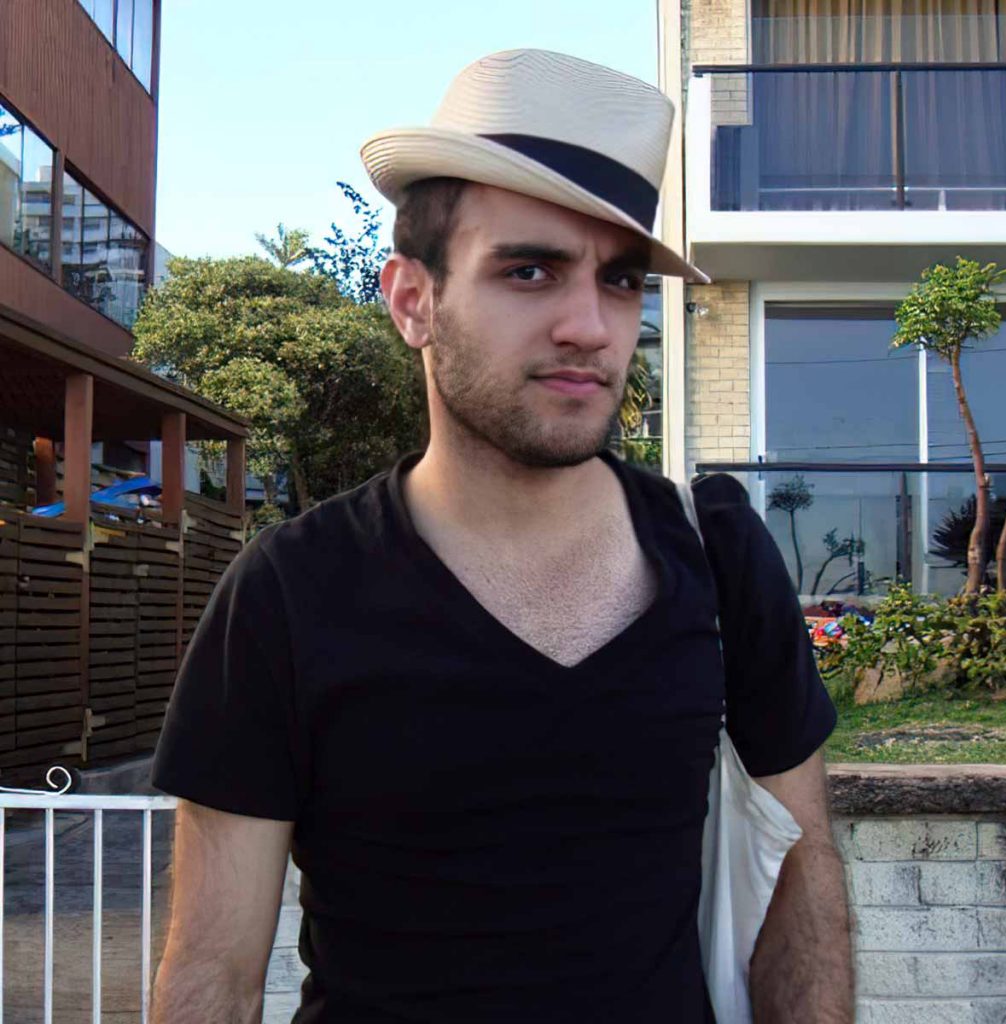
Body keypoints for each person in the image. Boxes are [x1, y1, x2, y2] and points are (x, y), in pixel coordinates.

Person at [150, 49, 853, 1024]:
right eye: (529, 270)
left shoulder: (716, 549)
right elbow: (210, 979)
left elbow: (803, 891)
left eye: (618, 280)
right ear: (411, 300)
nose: (590, 326)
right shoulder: (290, 593)